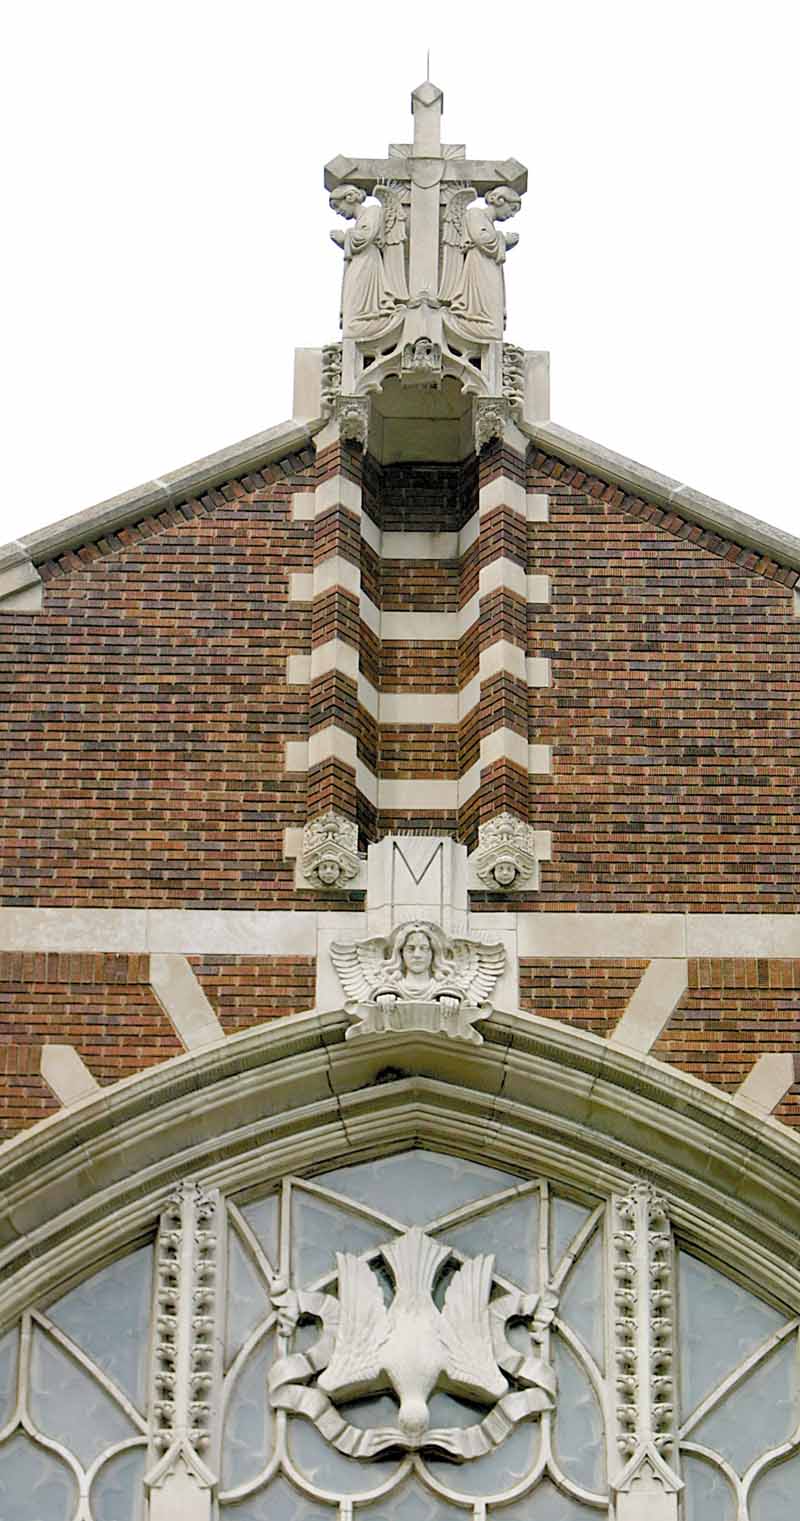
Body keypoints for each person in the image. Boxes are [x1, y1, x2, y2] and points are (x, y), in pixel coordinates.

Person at [446, 186, 521, 342]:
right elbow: (481, 238)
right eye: (512, 208)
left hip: (488, 264)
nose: (512, 215)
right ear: (500, 200)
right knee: (490, 319)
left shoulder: (488, 222)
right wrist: (504, 240)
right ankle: (459, 323)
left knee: (494, 319)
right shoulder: (475, 214)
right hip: (479, 264)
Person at [329, 185, 399, 339]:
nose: (337, 211)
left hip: (367, 262)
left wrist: (345, 237)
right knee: (350, 314)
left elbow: (367, 236)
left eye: (337, 205)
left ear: (349, 197)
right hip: (359, 260)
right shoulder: (360, 220)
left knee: (354, 316)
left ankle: (392, 321)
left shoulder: (373, 211)